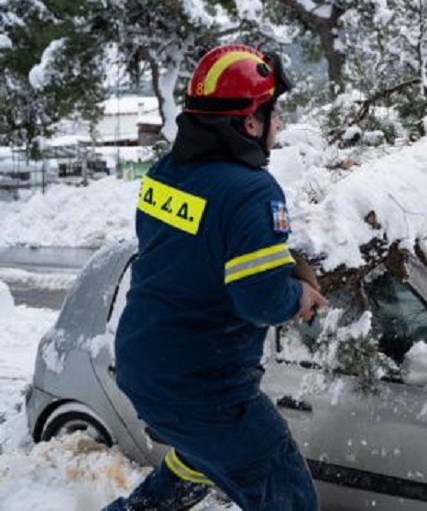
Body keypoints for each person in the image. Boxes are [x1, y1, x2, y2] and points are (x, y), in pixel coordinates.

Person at [106, 45, 327, 511]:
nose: (279, 123)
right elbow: (261, 300)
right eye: (273, 112)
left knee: (201, 457)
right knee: (287, 495)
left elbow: (196, 248)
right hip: (206, 387)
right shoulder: (253, 191)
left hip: (144, 364)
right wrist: (299, 295)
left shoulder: (165, 173)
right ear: (249, 122)